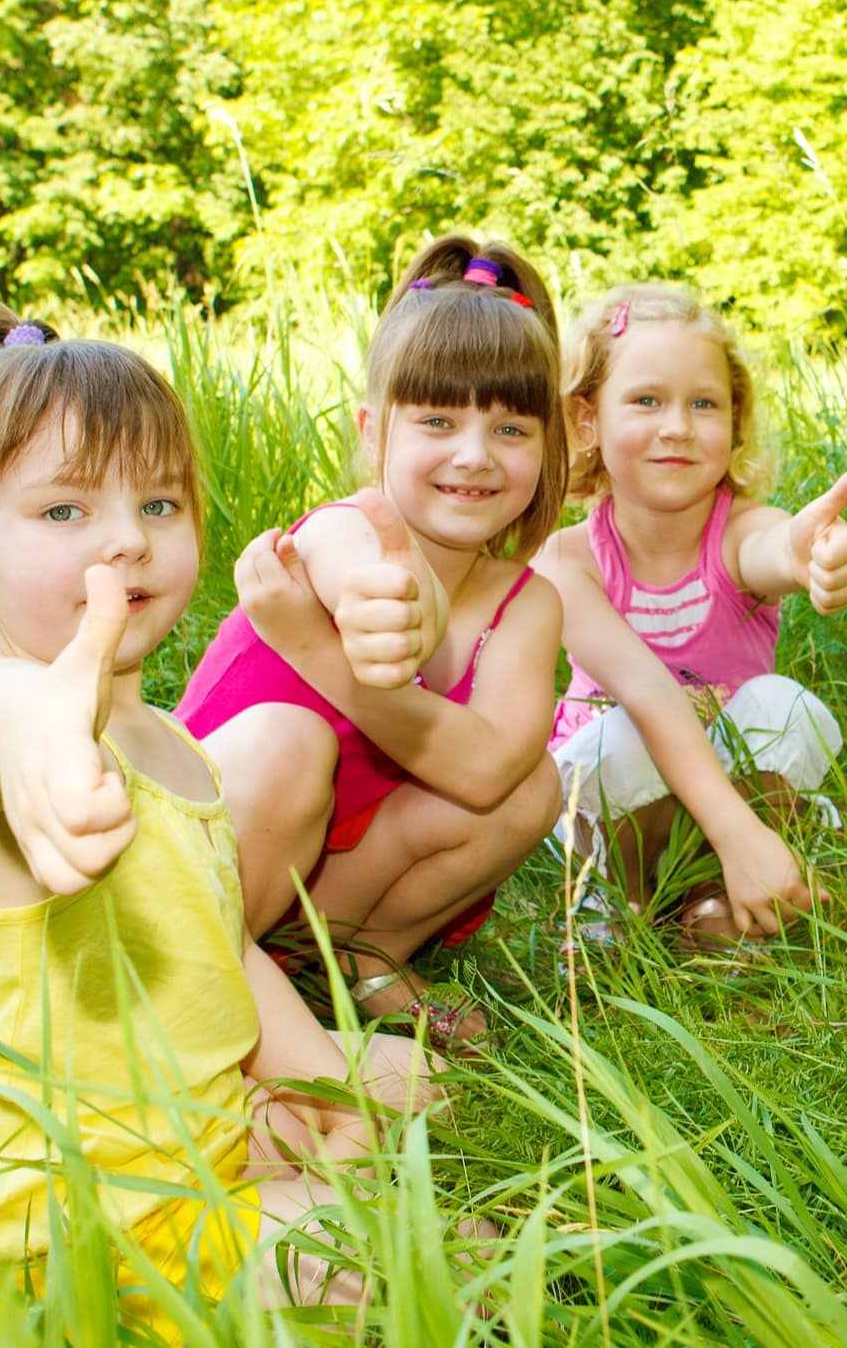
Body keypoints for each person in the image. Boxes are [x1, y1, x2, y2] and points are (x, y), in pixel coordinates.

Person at [0, 306, 416, 1320]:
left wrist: (326, 1081)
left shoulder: (176, 750)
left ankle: (279, 1189)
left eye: (158, 503)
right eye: (63, 513)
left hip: (181, 1136)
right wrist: (44, 746)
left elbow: (217, 946)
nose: (124, 542)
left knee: (401, 1088)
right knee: (413, 1264)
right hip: (54, 1215)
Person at [177, 238, 567, 1049]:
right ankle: (202, 982)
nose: (473, 454)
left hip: (328, 883)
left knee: (533, 785)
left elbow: (489, 770)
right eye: (436, 419)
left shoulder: (527, 605)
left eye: (510, 428)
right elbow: (362, 582)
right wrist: (376, 611)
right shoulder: (348, 533)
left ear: (548, 445)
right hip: (210, 863)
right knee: (291, 742)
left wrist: (316, 654)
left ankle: (359, 960)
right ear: (373, 429)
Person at [537, 285, 847, 947]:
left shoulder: (742, 531)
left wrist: (808, 554)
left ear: (735, 422)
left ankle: (721, 893)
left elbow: (774, 547)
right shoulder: (569, 560)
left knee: (782, 705)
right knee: (619, 737)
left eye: (704, 404)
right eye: (647, 400)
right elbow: (646, 695)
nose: (678, 426)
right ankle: (614, 908)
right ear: (586, 419)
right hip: (616, 813)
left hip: (724, 791)